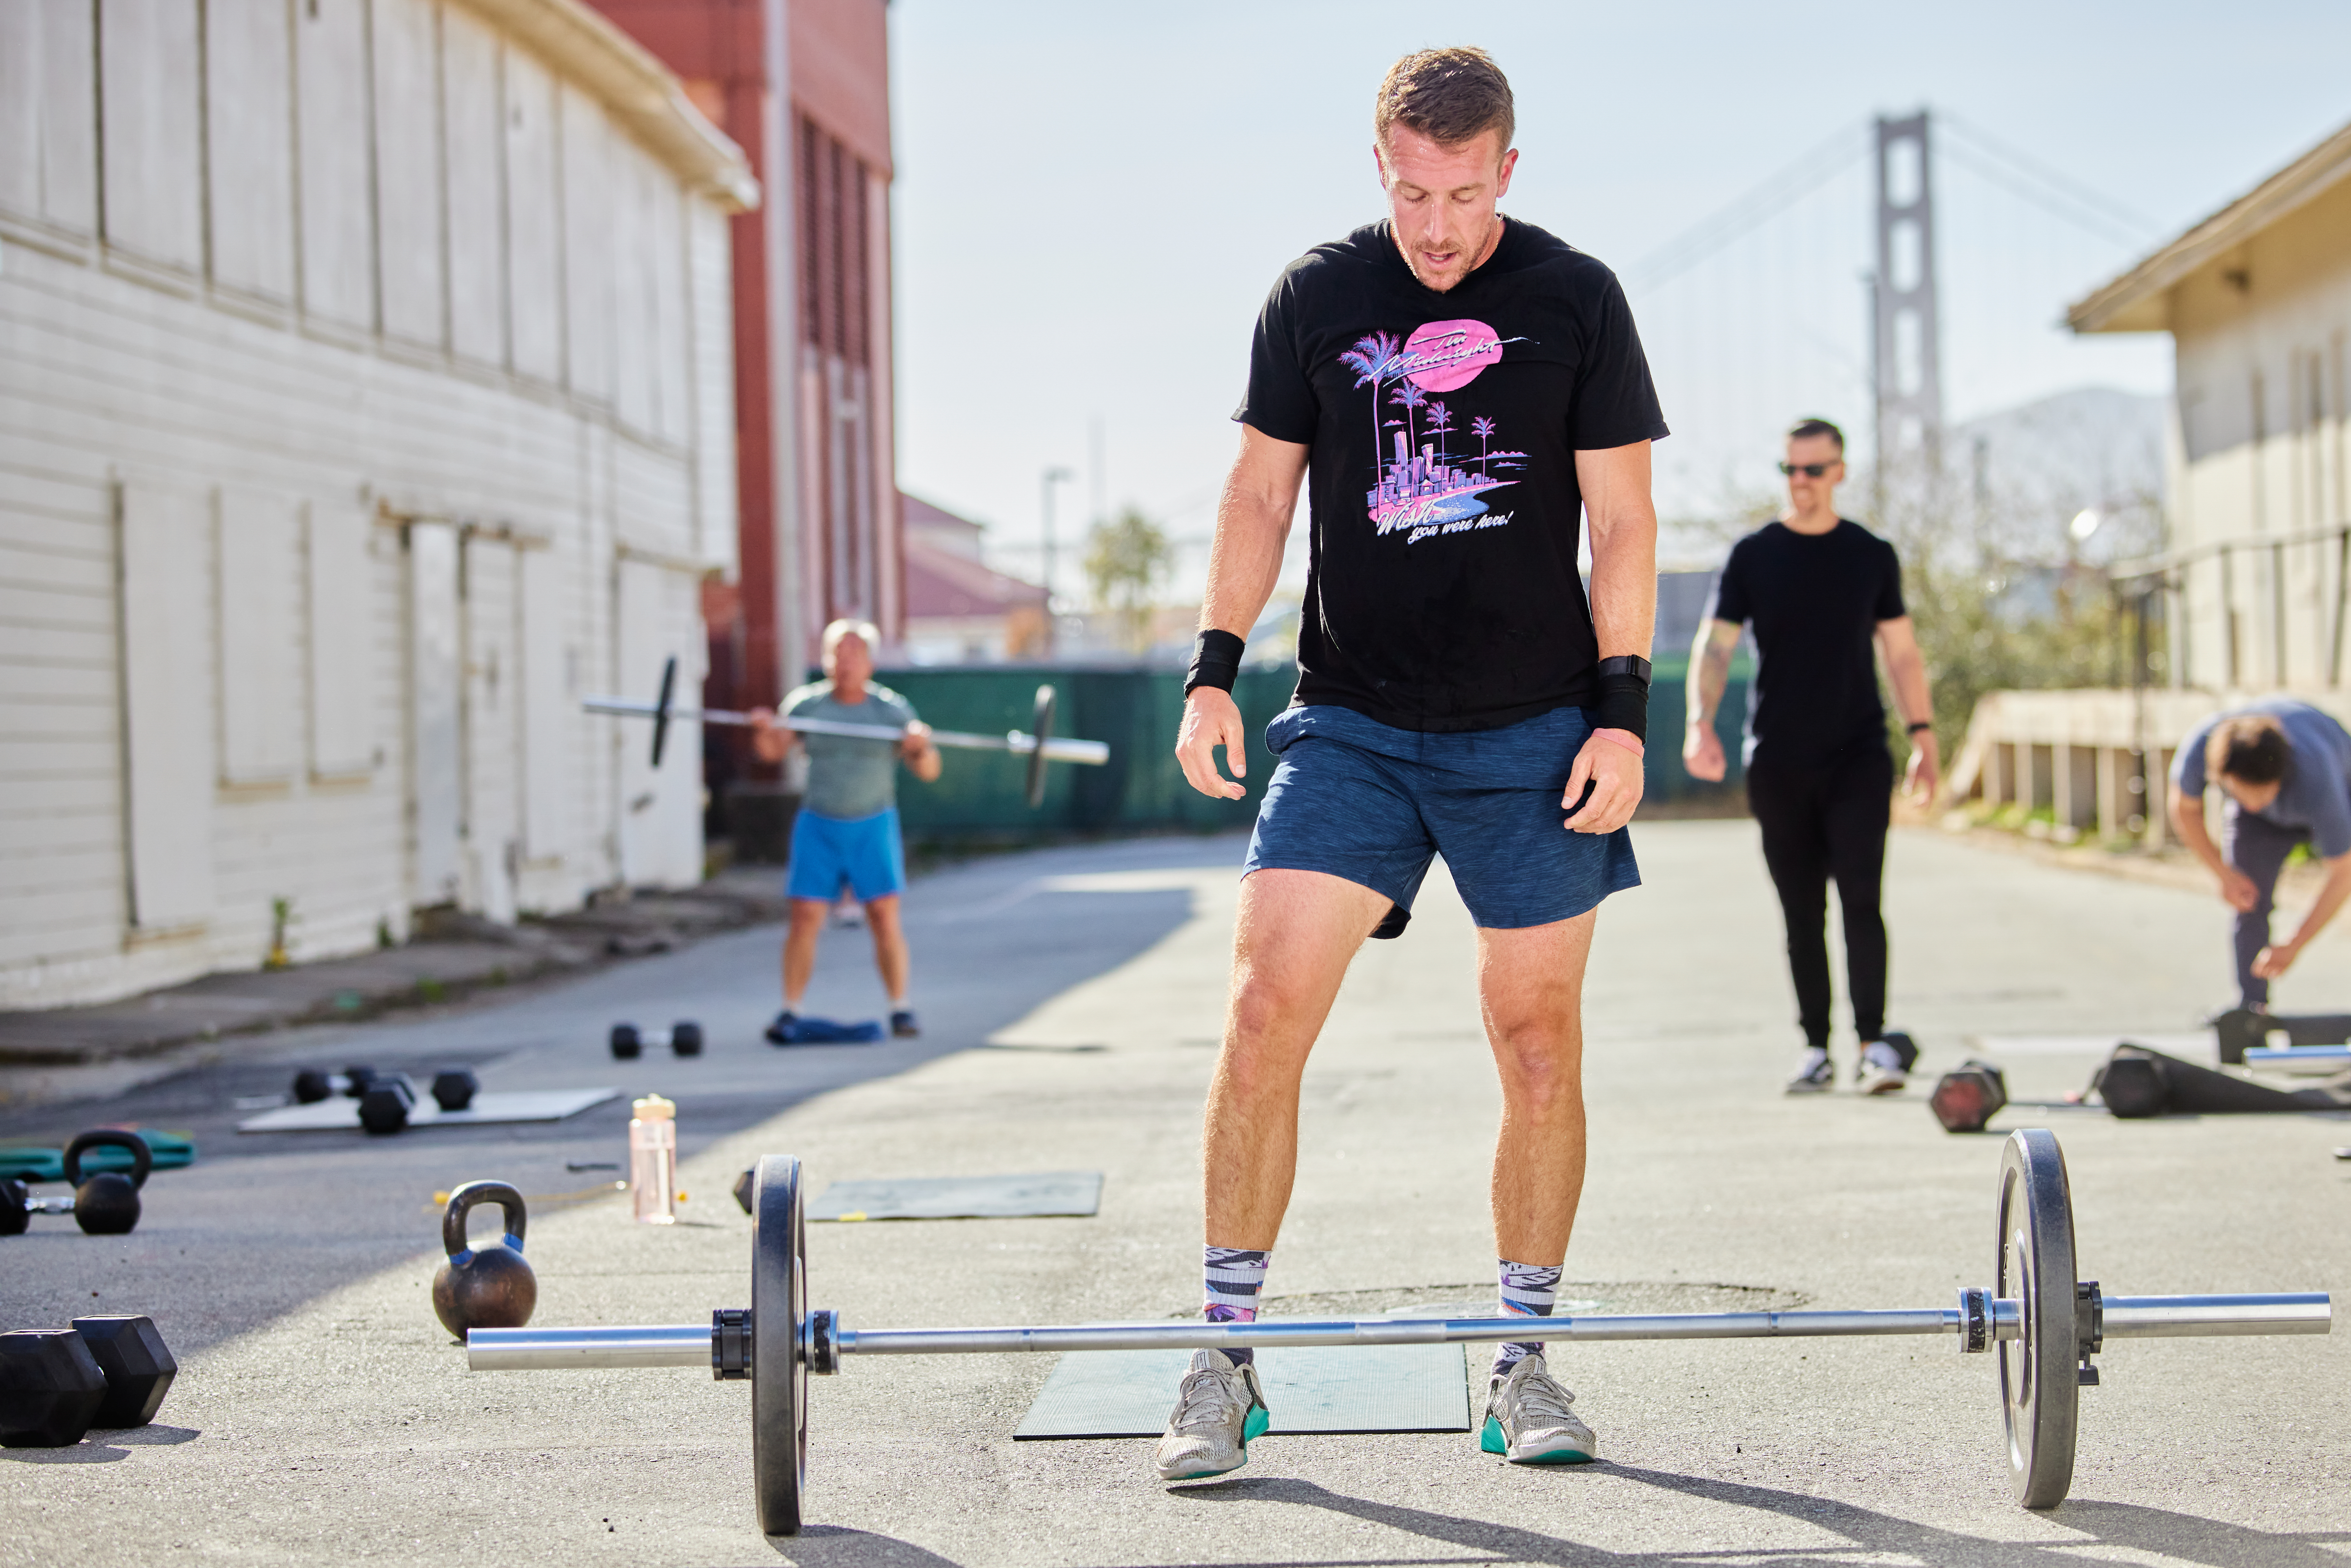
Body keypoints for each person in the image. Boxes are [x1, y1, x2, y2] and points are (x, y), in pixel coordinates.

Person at [1161, 46, 1665, 1482]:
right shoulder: (1319, 295)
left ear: (1509, 166)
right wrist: (1212, 667)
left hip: (1536, 730)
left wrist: (1622, 712)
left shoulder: (1577, 299)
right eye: (1411, 190)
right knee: (1262, 1012)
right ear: (1376, 165)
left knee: (1538, 1038)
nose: (1436, 223)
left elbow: (1624, 524)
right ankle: (1222, 1356)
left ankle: (1523, 1365)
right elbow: (1263, 492)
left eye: (1462, 189)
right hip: (1355, 721)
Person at [1682, 419, 1937, 1097]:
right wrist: (1697, 722)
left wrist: (1923, 736)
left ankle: (1875, 1043)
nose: (1800, 483)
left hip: (1857, 754)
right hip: (1778, 759)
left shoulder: (1870, 554)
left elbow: (1901, 653)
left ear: (1840, 472)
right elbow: (1714, 645)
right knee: (1799, 910)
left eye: (1814, 470)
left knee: (1861, 898)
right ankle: (1814, 1046)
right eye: (1790, 470)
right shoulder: (1752, 555)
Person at [749, 619, 940, 1041]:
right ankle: (790, 1010)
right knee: (804, 916)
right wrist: (766, 730)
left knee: (883, 916)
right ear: (826, 660)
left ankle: (900, 1008)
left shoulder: (891, 711)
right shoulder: (807, 706)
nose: (845, 662)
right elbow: (770, 752)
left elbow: (928, 770)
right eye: (837, 653)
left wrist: (920, 746)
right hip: (819, 823)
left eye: (854, 653)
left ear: (869, 662)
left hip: (872, 823)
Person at [2168, 699, 2351, 1010]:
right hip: (2258, 827)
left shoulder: (2317, 779)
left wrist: (2295, 944)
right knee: (2247, 899)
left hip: (2335, 785)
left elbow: (2344, 872)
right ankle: (2252, 1006)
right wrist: (2224, 875)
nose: (2254, 803)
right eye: (2244, 793)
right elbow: (2183, 809)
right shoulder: (2202, 747)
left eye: (2263, 793)